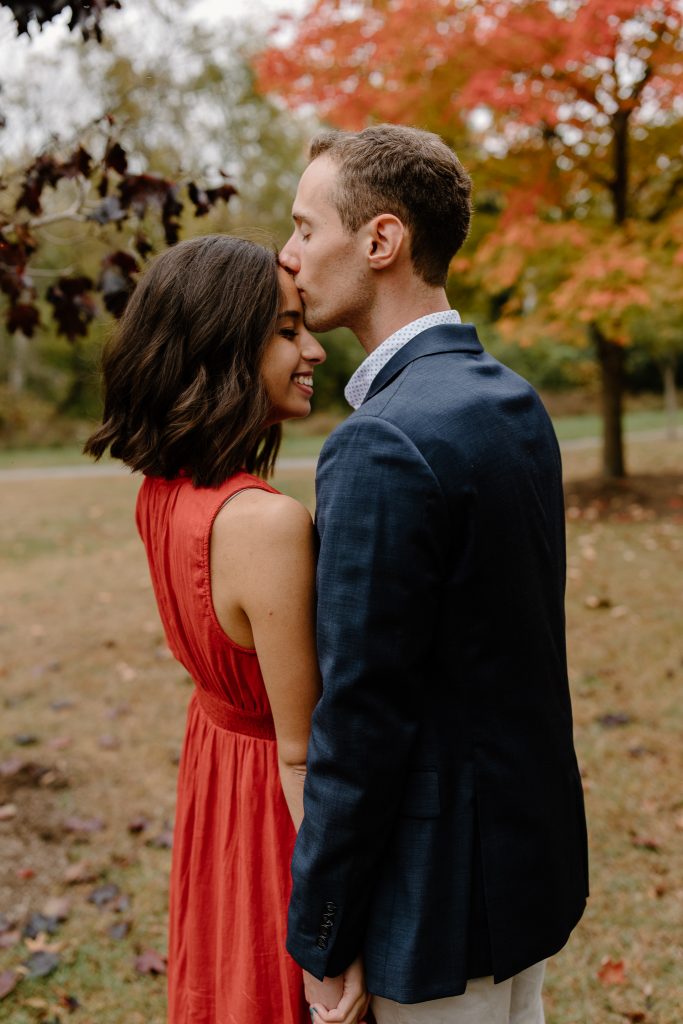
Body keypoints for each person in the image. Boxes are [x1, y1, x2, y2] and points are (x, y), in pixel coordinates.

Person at [279, 125, 589, 1024]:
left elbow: (362, 715)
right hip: (525, 868)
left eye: (305, 227)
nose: (289, 255)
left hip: (437, 902)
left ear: (380, 241)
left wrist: (323, 931)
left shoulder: (380, 441)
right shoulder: (508, 396)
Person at [83, 235, 362, 1024]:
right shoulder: (265, 525)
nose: (312, 349)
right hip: (275, 807)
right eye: (284, 330)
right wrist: (331, 937)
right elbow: (303, 756)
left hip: (217, 776)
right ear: (221, 347)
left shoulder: (159, 492)